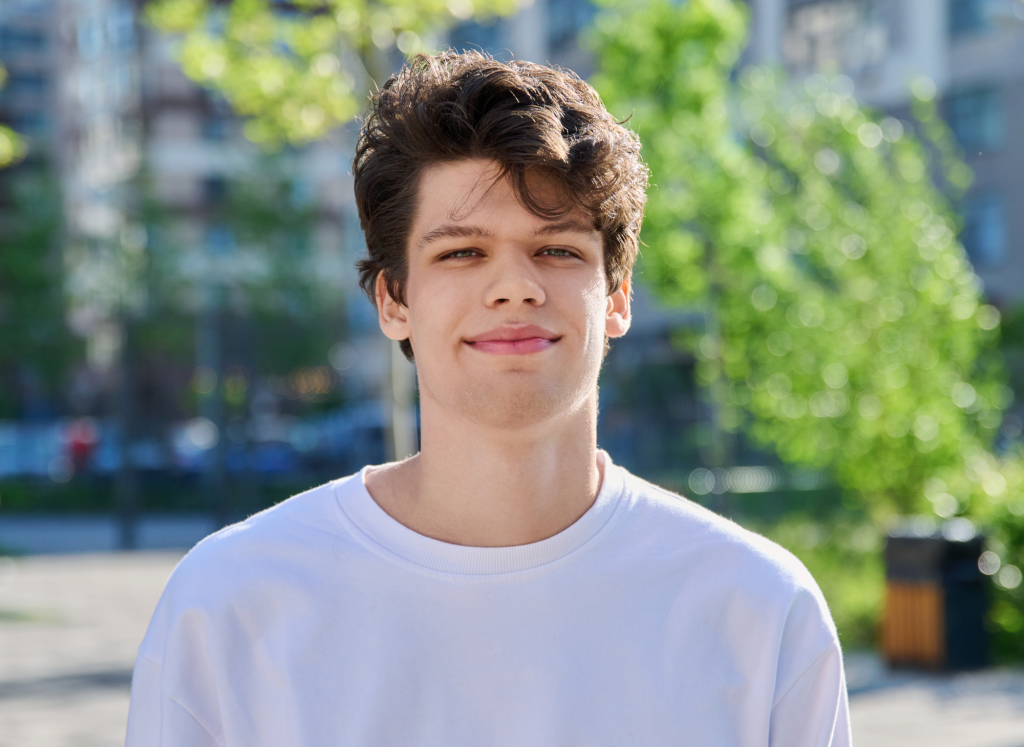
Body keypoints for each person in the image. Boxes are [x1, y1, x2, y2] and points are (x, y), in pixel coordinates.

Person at [126, 51, 851, 746]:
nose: (515, 286)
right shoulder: (232, 603)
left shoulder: (757, 607)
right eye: (461, 252)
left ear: (619, 297)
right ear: (393, 300)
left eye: (558, 249)